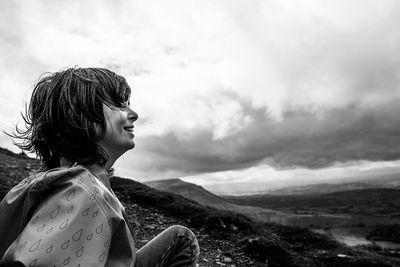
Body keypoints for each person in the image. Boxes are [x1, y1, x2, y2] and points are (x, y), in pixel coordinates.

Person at [0, 68, 199, 266]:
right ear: (79, 115)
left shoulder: (77, 182)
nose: (134, 114)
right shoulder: (82, 193)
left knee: (180, 238)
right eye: (120, 105)